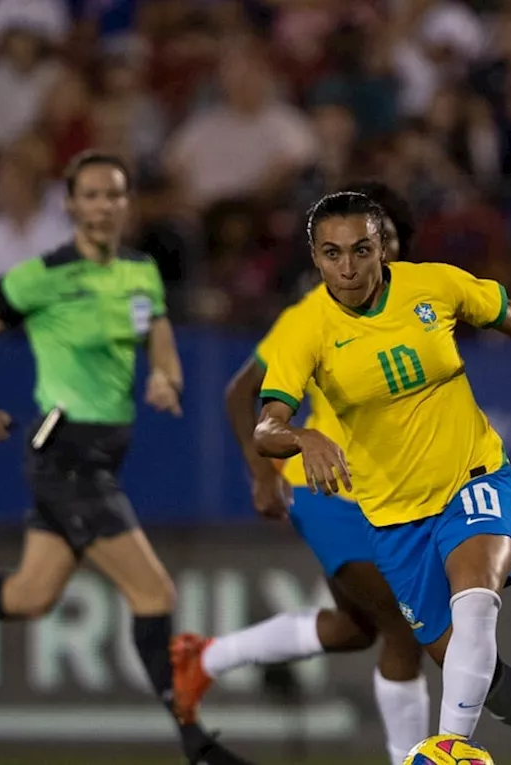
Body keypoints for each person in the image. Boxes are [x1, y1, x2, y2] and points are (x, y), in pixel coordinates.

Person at [0, 151, 252, 765]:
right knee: (155, 593)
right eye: (91, 195)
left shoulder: (140, 271)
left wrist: (166, 375)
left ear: (126, 204)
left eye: (115, 195)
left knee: (31, 596)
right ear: (71, 205)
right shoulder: (41, 276)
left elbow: (157, 328)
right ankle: (194, 744)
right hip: (66, 456)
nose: (105, 206)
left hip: (101, 459)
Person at [241, 190, 511, 764]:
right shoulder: (307, 331)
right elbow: (265, 427)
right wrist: (303, 436)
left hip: (472, 476)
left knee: (476, 593)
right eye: (332, 254)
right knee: (469, 671)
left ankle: (449, 750)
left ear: (384, 248)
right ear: (315, 257)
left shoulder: (434, 285)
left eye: (361, 250)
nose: (348, 268)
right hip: (393, 518)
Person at [172, 182, 430, 765]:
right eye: (356, 243)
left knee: (355, 628)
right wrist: (263, 474)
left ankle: (204, 658)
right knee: (404, 630)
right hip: (327, 489)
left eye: (380, 241)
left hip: (391, 496)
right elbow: (242, 391)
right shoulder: (314, 312)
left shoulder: (421, 306)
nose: (365, 254)